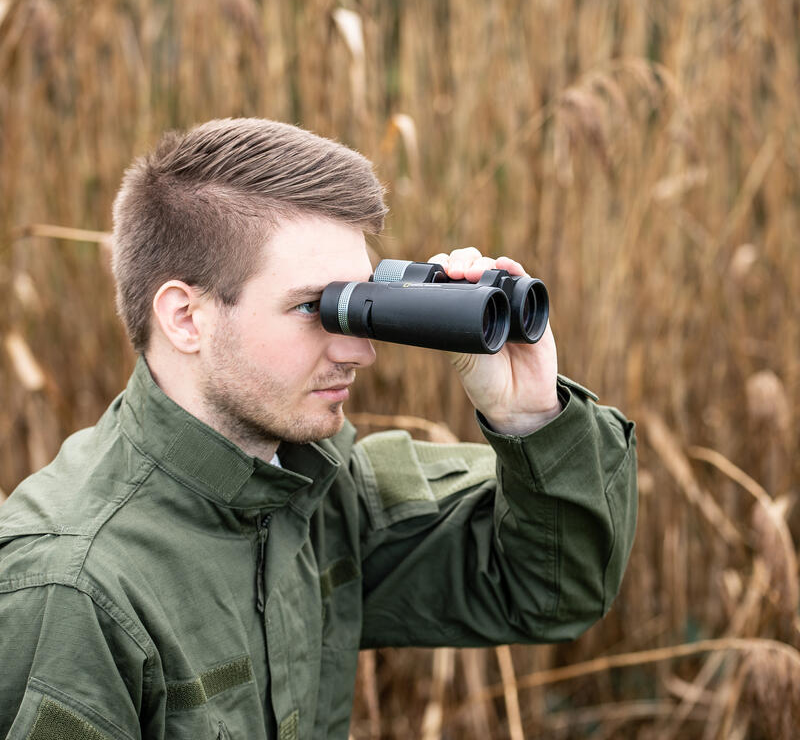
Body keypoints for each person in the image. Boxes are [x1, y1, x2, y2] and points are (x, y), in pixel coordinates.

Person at [0, 118, 637, 739]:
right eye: (313, 307)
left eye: (358, 306)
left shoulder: (315, 485)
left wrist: (528, 413)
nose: (360, 351)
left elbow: (552, 589)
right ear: (186, 318)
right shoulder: (73, 587)